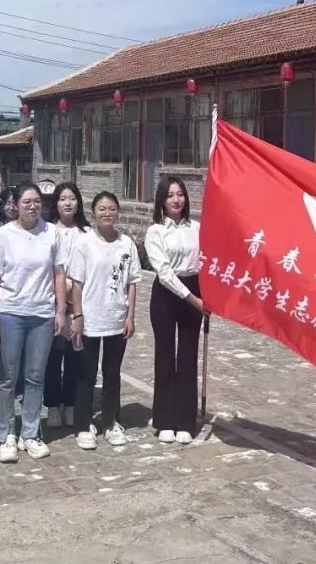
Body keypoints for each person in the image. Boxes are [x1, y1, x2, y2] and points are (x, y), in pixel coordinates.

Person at [0, 183, 67, 463]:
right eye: (27, 201)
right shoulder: (3, 235)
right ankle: (6, 434)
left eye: (37, 201)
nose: (33, 206)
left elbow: (59, 273)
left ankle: (31, 432)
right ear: (15, 204)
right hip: (10, 312)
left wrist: (60, 310)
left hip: (42, 313)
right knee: (7, 377)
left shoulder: (52, 232)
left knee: (35, 376)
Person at [70, 192, 140, 449]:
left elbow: (132, 283)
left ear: (117, 211)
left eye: (111, 208)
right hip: (90, 318)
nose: (107, 213)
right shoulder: (84, 243)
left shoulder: (126, 244)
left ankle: (111, 421)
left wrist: (130, 316)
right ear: (94, 213)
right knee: (87, 374)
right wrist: (78, 316)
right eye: (102, 209)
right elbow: (77, 284)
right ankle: (83, 424)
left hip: (116, 317)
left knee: (112, 373)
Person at [144, 177, 204, 445]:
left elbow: (207, 261)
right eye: (170, 195)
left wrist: (206, 296)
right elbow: (164, 272)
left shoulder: (197, 228)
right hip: (167, 295)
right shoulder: (155, 231)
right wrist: (193, 299)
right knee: (165, 356)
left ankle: (186, 421)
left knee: (188, 357)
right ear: (162, 200)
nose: (176, 200)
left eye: (180, 194)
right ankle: (165, 419)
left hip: (195, 289)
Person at [44, 182, 89, 428]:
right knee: (53, 356)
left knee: (75, 356)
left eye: (72, 198)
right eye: (63, 198)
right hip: (52, 302)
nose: (68, 203)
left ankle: (70, 403)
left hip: (79, 304)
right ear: (56, 203)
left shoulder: (87, 233)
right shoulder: (47, 231)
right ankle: (52, 404)